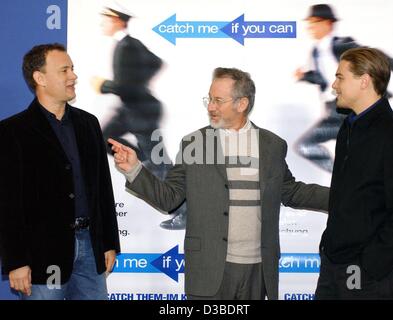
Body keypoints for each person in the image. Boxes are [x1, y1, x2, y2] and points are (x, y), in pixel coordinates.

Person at [108, 67, 329, 300]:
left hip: (258, 270)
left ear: (242, 103)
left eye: (218, 100)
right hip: (209, 270)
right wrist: (134, 169)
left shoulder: (272, 145)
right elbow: (169, 198)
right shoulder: (194, 143)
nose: (210, 107)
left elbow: (291, 191)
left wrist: (344, 196)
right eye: (209, 99)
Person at [0, 43, 120, 300]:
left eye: (72, 69)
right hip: (42, 254)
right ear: (39, 78)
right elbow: (8, 203)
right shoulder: (12, 131)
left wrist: (109, 242)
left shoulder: (89, 124)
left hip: (91, 247)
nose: (73, 76)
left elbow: (102, 188)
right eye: (64, 70)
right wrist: (16, 261)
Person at [315, 47, 393, 300]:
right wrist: (329, 245)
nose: (334, 85)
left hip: (368, 273)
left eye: (340, 77)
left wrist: (370, 264)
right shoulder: (348, 127)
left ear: (364, 80)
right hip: (334, 262)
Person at [91, 3, 186, 230]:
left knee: (161, 166)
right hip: (131, 110)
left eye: (105, 19)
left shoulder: (127, 46)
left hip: (141, 111)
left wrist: (104, 85)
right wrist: (138, 84)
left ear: (117, 20)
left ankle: (186, 213)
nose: (102, 24)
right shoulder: (126, 44)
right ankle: (142, 158)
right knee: (103, 137)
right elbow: (155, 63)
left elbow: (125, 85)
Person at [294, 3, 393, 173]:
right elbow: (324, 79)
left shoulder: (342, 44)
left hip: (351, 108)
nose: (311, 27)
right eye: (309, 23)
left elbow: (377, 56)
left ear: (328, 23)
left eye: (315, 22)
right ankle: (346, 176)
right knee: (307, 146)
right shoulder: (315, 52)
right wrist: (305, 76)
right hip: (334, 110)